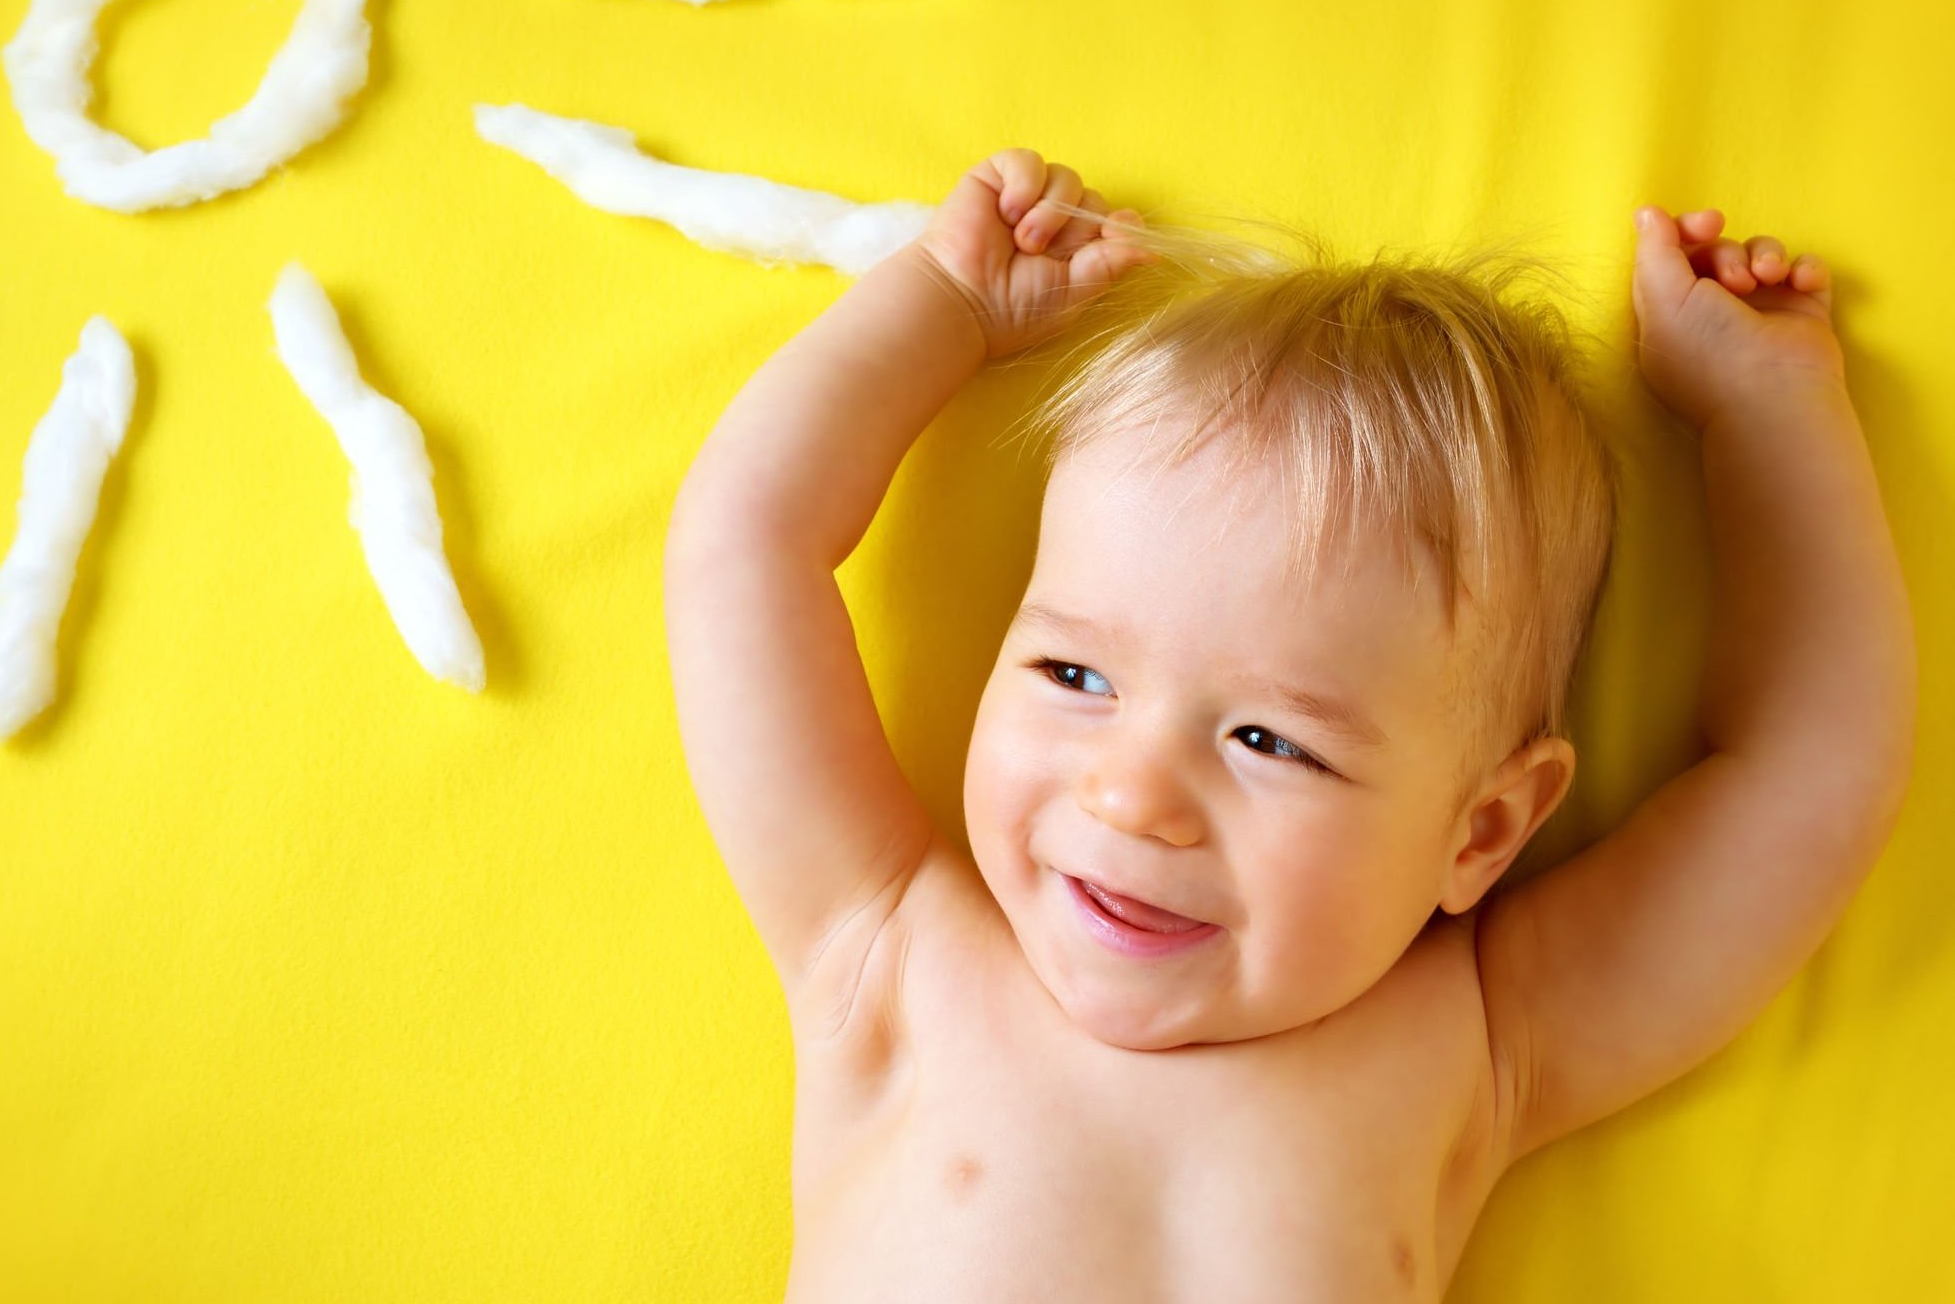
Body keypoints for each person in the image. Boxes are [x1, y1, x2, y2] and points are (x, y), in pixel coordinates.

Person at [661, 148, 1916, 1300]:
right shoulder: (887, 957)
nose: (1131, 795)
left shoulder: (1477, 1043)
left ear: (1479, 831)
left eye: (1271, 742)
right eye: (1075, 676)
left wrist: (1768, 411)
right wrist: (941, 300)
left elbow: (1807, 778)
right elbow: (744, 551)